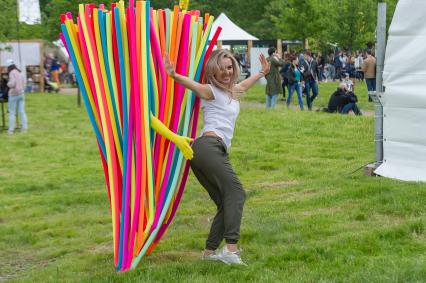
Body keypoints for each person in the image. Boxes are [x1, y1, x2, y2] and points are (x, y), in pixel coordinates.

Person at [164, 49, 270, 265]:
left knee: (225, 201)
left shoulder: (232, 92)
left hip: (206, 151)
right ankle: (231, 250)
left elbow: (243, 85)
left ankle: (209, 253)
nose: (226, 72)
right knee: (237, 193)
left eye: (229, 67)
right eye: (221, 69)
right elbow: (194, 86)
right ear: (212, 71)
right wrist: (174, 75)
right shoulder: (210, 91)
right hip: (208, 146)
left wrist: (261, 74)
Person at [6, 59, 28, 134]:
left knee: (12, 112)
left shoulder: (11, 73)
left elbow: (12, 83)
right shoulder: (20, 72)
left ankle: (11, 130)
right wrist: (22, 89)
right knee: (22, 111)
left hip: (13, 94)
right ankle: (24, 128)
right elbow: (24, 83)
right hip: (21, 94)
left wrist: (7, 83)